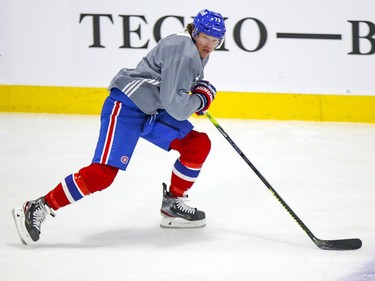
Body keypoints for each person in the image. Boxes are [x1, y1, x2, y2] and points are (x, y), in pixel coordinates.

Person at [12, 8, 226, 245]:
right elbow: (177, 107)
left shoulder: (193, 50)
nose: (209, 44)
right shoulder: (186, 52)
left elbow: (173, 94)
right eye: (205, 37)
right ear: (194, 31)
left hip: (151, 110)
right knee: (102, 174)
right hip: (126, 107)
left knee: (197, 145)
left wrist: (194, 96)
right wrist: (200, 99)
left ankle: (172, 204)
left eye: (215, 40)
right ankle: (38, 206)